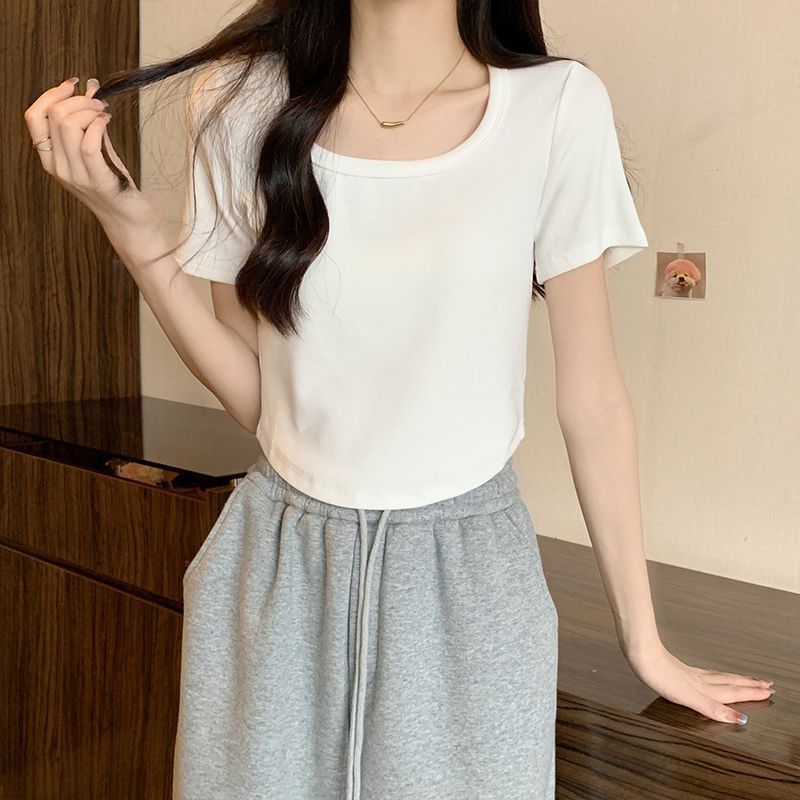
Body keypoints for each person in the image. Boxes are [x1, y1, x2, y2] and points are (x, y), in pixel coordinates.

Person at [23, 1, 775, 798]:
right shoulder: (237, 102)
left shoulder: (556, 106)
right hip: (276, 563)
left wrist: (644, 641)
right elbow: (271, 407)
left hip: (470, 580)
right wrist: (129, 224)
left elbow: (593, 401)